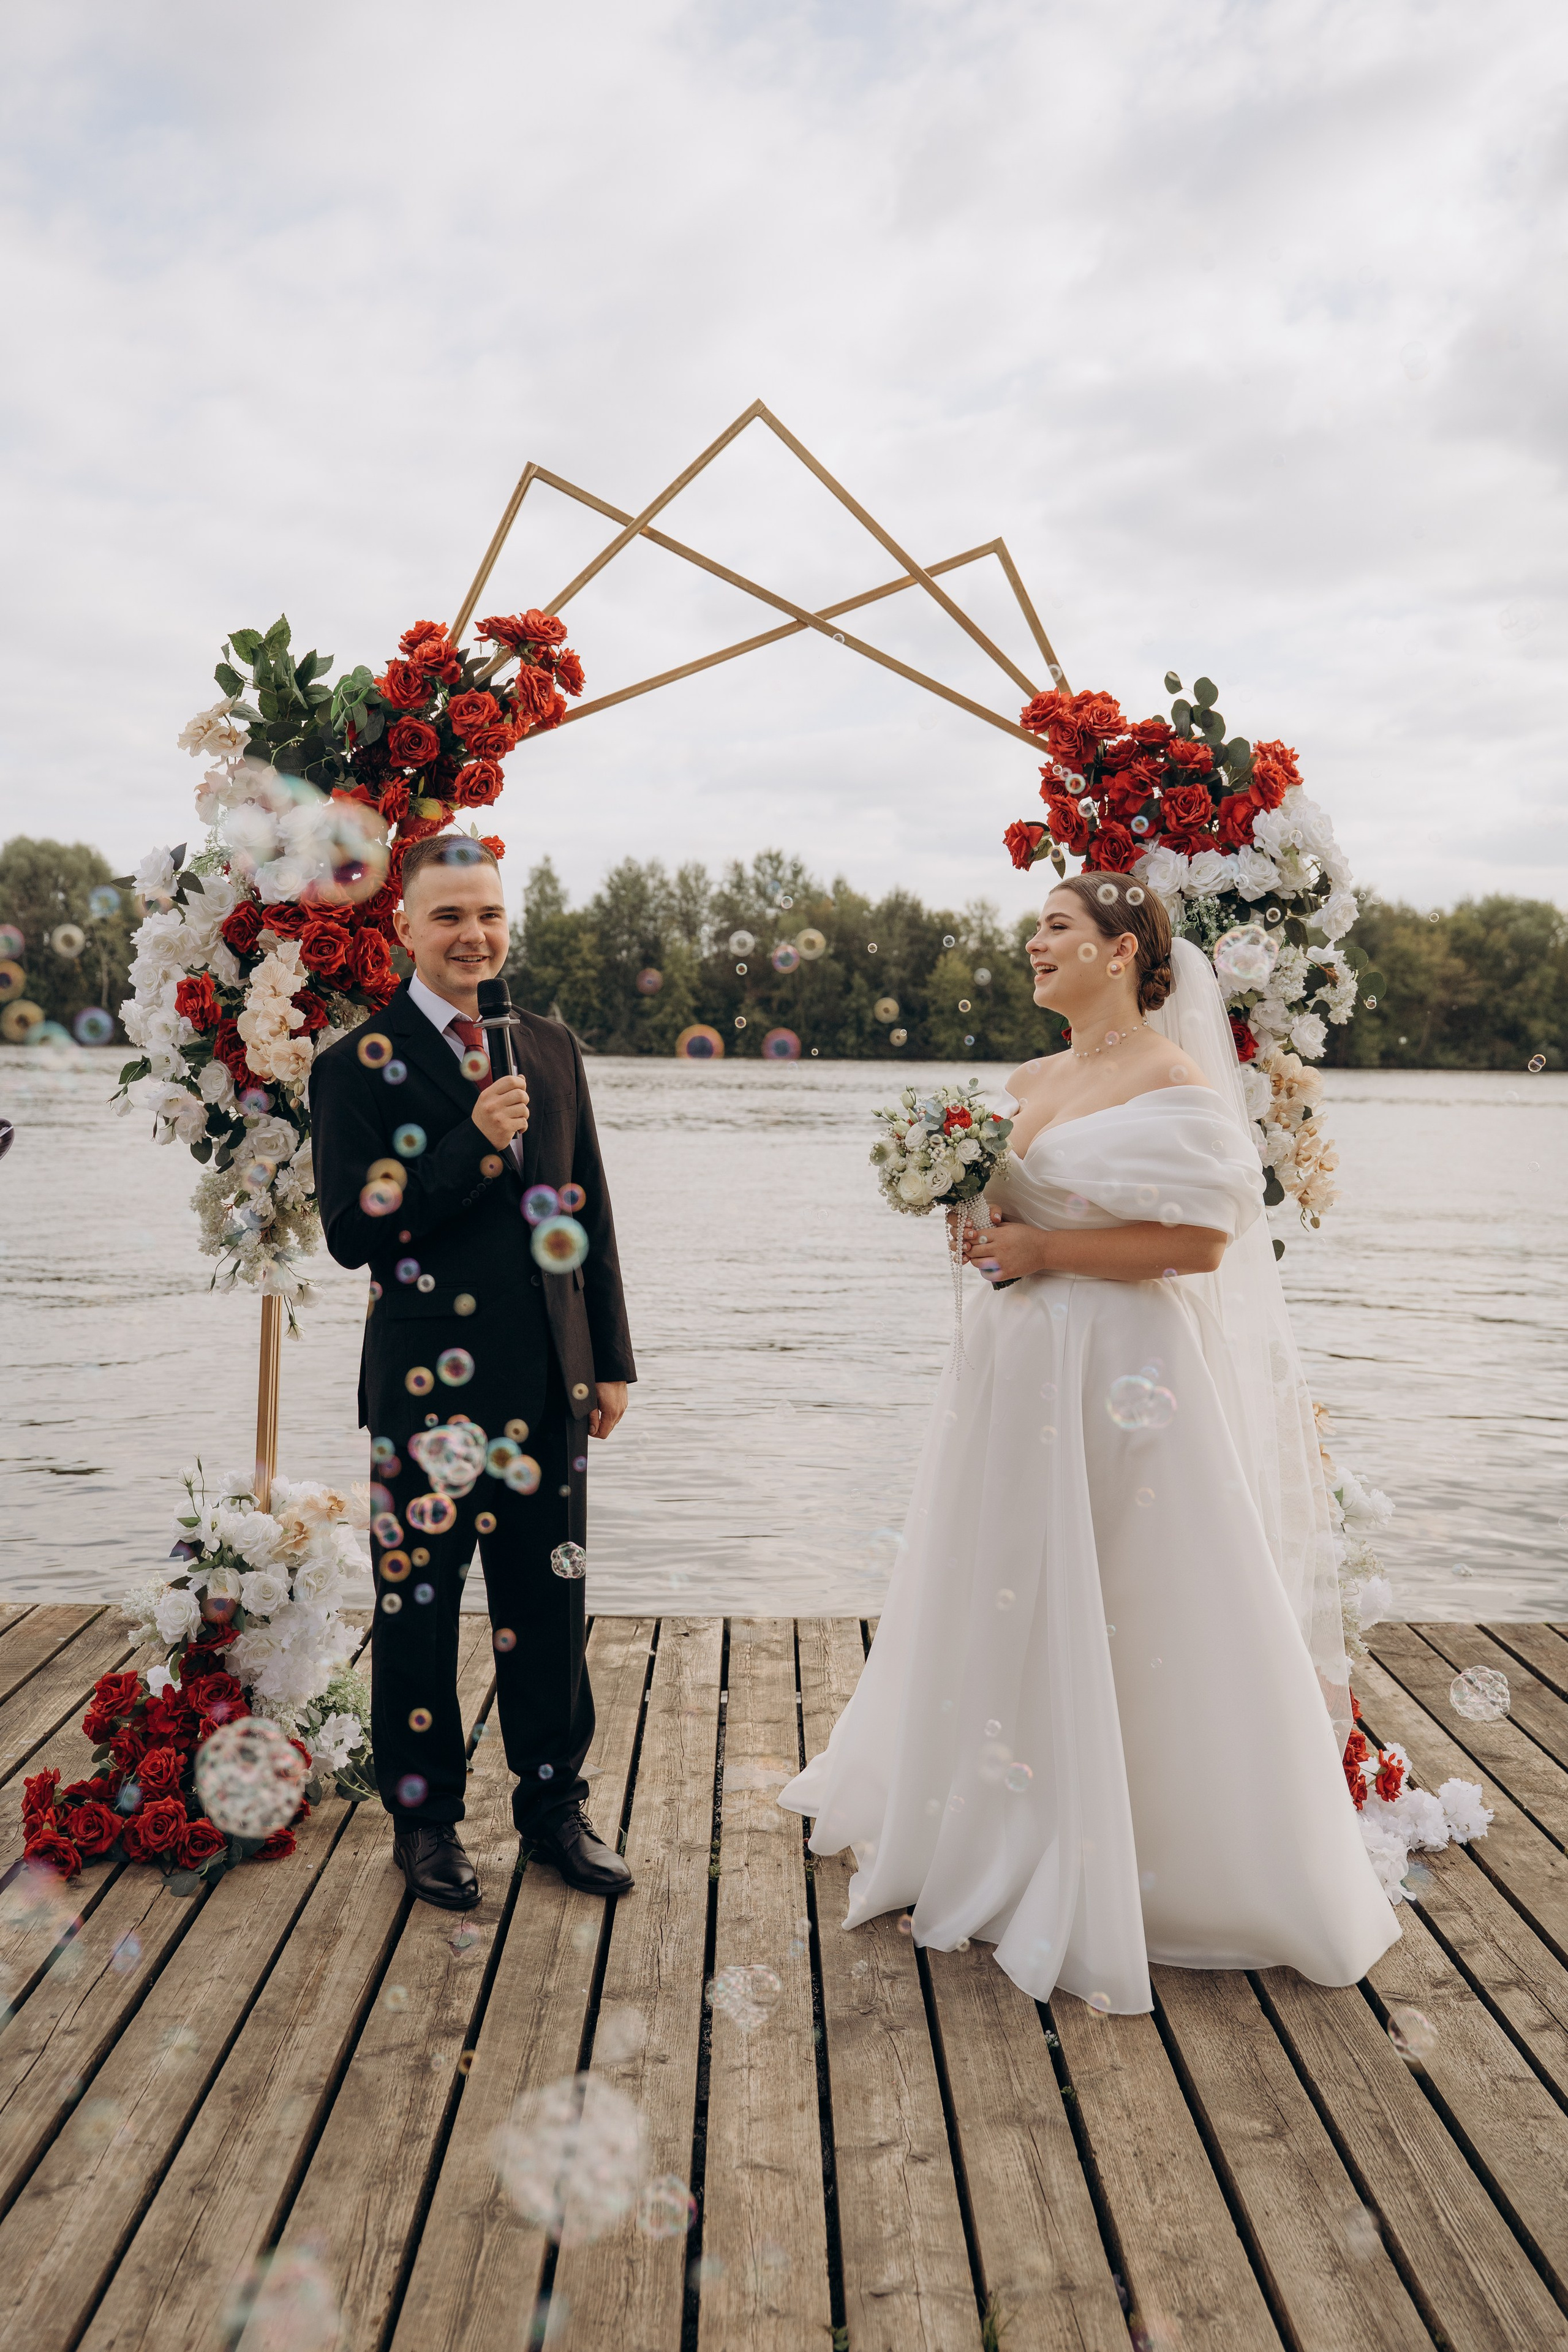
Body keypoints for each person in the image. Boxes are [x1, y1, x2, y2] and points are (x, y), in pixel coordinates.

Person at [780, 870, 1399, 2012]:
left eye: (1058, 926)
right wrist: (976, 1227)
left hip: (1123, 1366)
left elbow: (1202, 1244)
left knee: (1133, 1585)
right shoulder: (1024, 1082)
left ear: (1121, 952)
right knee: (1011, 1578)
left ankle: (1157, 1839)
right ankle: (1001, 1811)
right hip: (1016, 1370)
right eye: (1037, 927)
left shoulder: (1173, 1077)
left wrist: (1049, 1254)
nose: (1034, 942)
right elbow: (1006, 1219)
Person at [310, 834, 637, 1912]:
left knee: (549, 1603)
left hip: (548, 1383)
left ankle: (554, 1808)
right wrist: (473, 1148)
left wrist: (611, 1360)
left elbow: (583, 1207)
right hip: (424, 1394)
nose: (474, 936)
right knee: (418, 1609)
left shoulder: (549, 1045)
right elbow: (355, 1232)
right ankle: (426, 1822)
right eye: (449, 917)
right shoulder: (352, 1062)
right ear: (404, 928)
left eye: (489, 914)